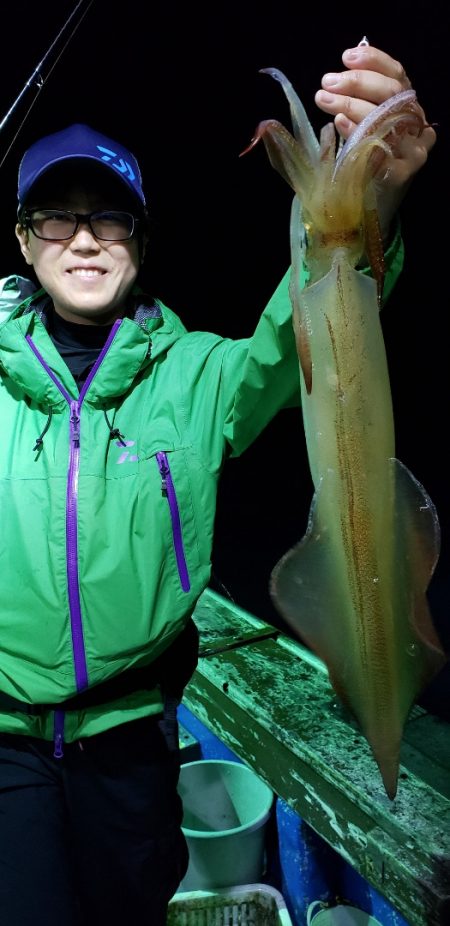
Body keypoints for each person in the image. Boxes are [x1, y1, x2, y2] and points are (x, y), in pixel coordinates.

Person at [0, 44, 435, 926]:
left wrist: (369, 213)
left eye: (110, 217)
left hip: (133, 736)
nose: (83, 236)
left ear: (142, 239)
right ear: (22, 237)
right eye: (56, 215)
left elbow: (315, 326)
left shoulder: (199, 378)